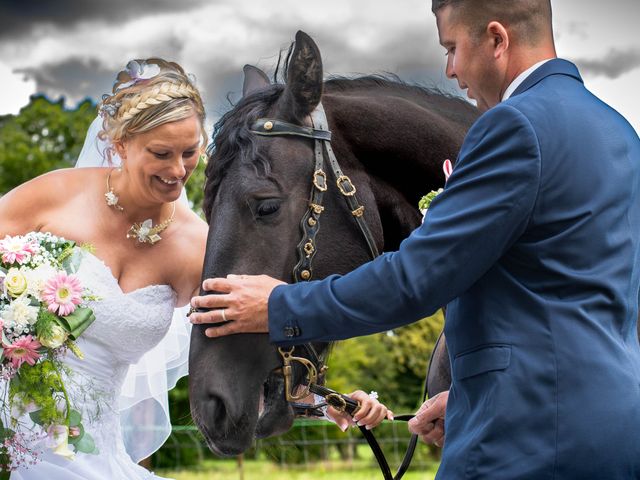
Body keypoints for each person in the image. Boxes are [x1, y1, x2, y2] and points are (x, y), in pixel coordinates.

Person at [189, 1, 640, 478]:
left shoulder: (514, 127)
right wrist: (472, 394)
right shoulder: (619, 133)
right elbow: (567, 301)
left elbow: (416, 278)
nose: (450, 70)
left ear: (496, 40)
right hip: (612, 432)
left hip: (520, 445)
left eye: (452, 48)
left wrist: (279, 306)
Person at [0, 57, 209, 479]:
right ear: (120, 145)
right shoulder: (55, 193)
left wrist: (323, 396)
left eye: (190, 151)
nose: (178, 170)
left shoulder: (196, 247)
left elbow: (247, 338)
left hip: (90, 457)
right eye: (161, 153)